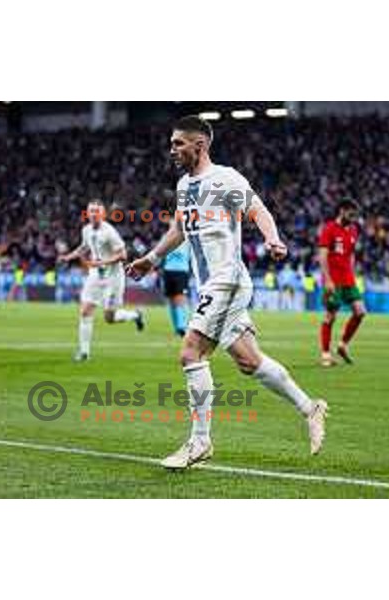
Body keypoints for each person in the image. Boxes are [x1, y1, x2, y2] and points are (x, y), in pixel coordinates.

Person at [127, 115, 327, 469]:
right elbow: (179, 228)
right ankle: (310, 408)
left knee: (190, 353)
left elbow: (257, 209)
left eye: (178, 143)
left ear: (199, 145)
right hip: (209, 283)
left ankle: (200, 442)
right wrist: (152, 258)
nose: (172, 149)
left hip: (227, 279)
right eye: (172, 143)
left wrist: (273, 238)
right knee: (249, 361)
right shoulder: (184, 186)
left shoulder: (226, 178)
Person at [59, 200, 144, 361]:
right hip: (95, 276)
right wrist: (68, 257)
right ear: (87, 213)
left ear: (103, 214)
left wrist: (102, 262)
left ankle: (135, 315)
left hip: (113, 278)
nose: (93, 214)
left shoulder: (109, 232)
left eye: (97, 211)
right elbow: (84, 247)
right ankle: (84, 353)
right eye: (91, 211)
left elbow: (123, 255)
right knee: (85, 311)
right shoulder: (86, 230)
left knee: (109, 318)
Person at [318, 198, 367, 367]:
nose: (353, 217)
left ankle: (342, 345)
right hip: (334, 280)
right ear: (342, 210)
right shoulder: (329, 229)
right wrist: (327, 280)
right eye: (351, 213)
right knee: (330, 315)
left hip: (348, 279)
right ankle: (325, 354)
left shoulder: (353, 230)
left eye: (355, 214)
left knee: (360, 312)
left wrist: (352, 272)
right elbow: (322, 255)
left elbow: (351, 254)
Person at [161, 221, 191, 337]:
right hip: (168, 270)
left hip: (181, 271)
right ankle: (177, 327)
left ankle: (182, 327)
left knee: (180, 299)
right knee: (171, 300)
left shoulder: (186, 236)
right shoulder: (166, 237)